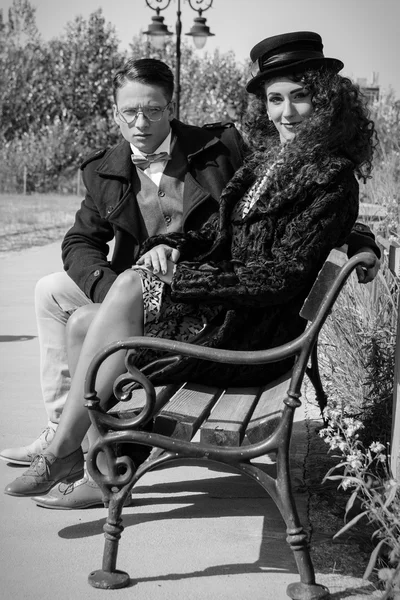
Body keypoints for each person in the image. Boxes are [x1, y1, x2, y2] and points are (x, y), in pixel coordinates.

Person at [2, 39, 380, 506]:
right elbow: (221, 236)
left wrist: (179, 279)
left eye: (299, 96)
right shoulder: (267, 161)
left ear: (324, 100)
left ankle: (68, 453)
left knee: (121, 295)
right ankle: (98, 468)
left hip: (251, 334)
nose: (286, 112)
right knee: (82, 315)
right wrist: (168, 248)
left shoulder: (321, 174)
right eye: (275, 99)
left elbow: (279, 276)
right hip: (230, 309)